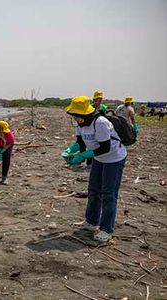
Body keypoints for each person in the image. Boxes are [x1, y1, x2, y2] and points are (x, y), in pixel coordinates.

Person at [62, 96, 127, 242]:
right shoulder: (79, 124)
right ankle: (92, 222)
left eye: (76, 115)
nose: (74, 118)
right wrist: (70, 150)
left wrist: (84, 156)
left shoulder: (100, 123)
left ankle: (106, 229)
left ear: (84, 113)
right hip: (99, 158)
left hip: (114, 158)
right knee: (93, 190)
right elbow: (80, 143)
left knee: (109, 194)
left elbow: (105, 147)